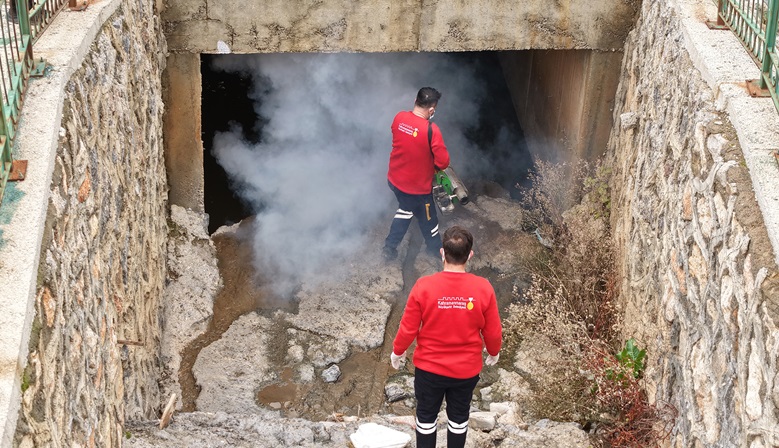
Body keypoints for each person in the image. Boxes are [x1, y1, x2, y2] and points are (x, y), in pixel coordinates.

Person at [390, 225, 502, 448]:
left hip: (429, 369)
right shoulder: (483, 288)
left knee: (426, 417)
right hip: (466, 370)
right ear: (470, 255)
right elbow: (492, 330)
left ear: (442, 253)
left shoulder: (424, 286)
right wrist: (493, 351)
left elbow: (408, 328)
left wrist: (398, 351)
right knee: (459, 417)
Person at [383, 87, 451, 261]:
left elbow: (399, 137)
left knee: (411, 209)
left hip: (394, 179)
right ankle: (432, 249)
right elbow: (443, 162)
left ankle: (392, 248)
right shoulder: (431, 130)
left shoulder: (399, 117)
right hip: (416, 188)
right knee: (424, 217)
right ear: (432, 109)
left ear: (415, 100)